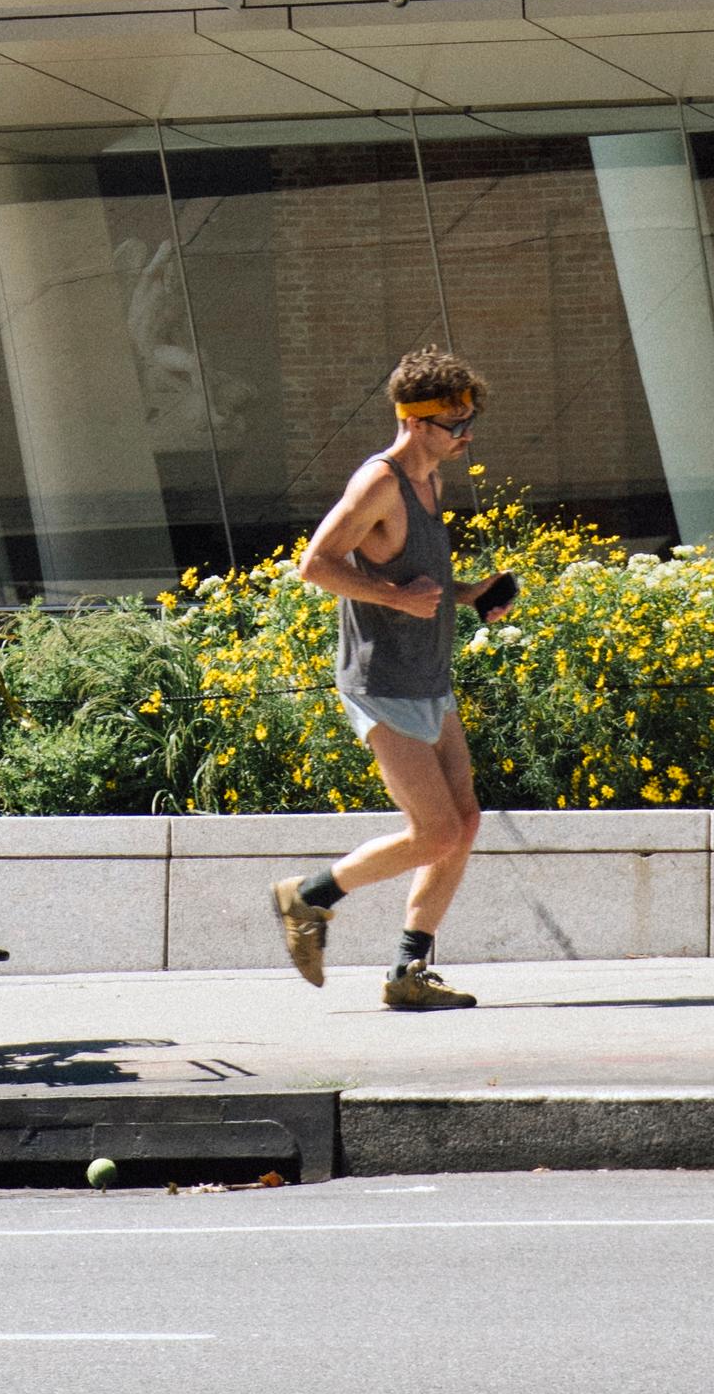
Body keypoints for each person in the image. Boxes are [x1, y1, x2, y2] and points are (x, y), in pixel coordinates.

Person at [269, 347, 505, 1012]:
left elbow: (412, 577)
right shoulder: (379, 482)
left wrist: (466, 594)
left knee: (463, 821)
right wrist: (398, 602)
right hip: (382, 681)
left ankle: (410, 970)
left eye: (469, 418)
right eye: (457, 422)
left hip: (429, 676)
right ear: (417, 421)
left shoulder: (430, 483)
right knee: (433, 831)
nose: (467, 433)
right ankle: (309, 897)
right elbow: (315, 564)